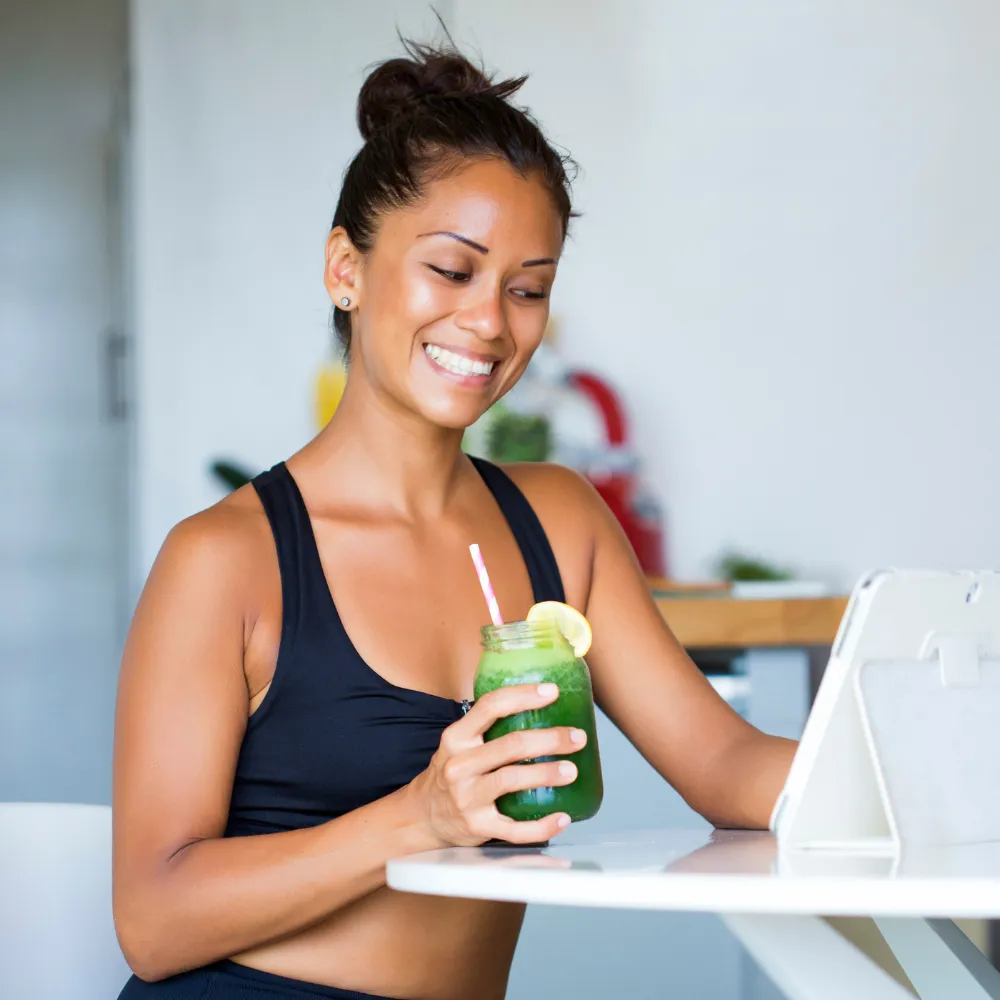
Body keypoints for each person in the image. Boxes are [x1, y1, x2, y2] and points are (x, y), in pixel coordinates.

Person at [113, 37, 796, 1000]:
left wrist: (919, 761)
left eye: (527, 288)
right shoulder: (225, 559)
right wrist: (421, 817)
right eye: (452, 269)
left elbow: (726, 764)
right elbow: (151, 921)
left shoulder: (558, 522)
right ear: (345, 269)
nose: (489, 321)